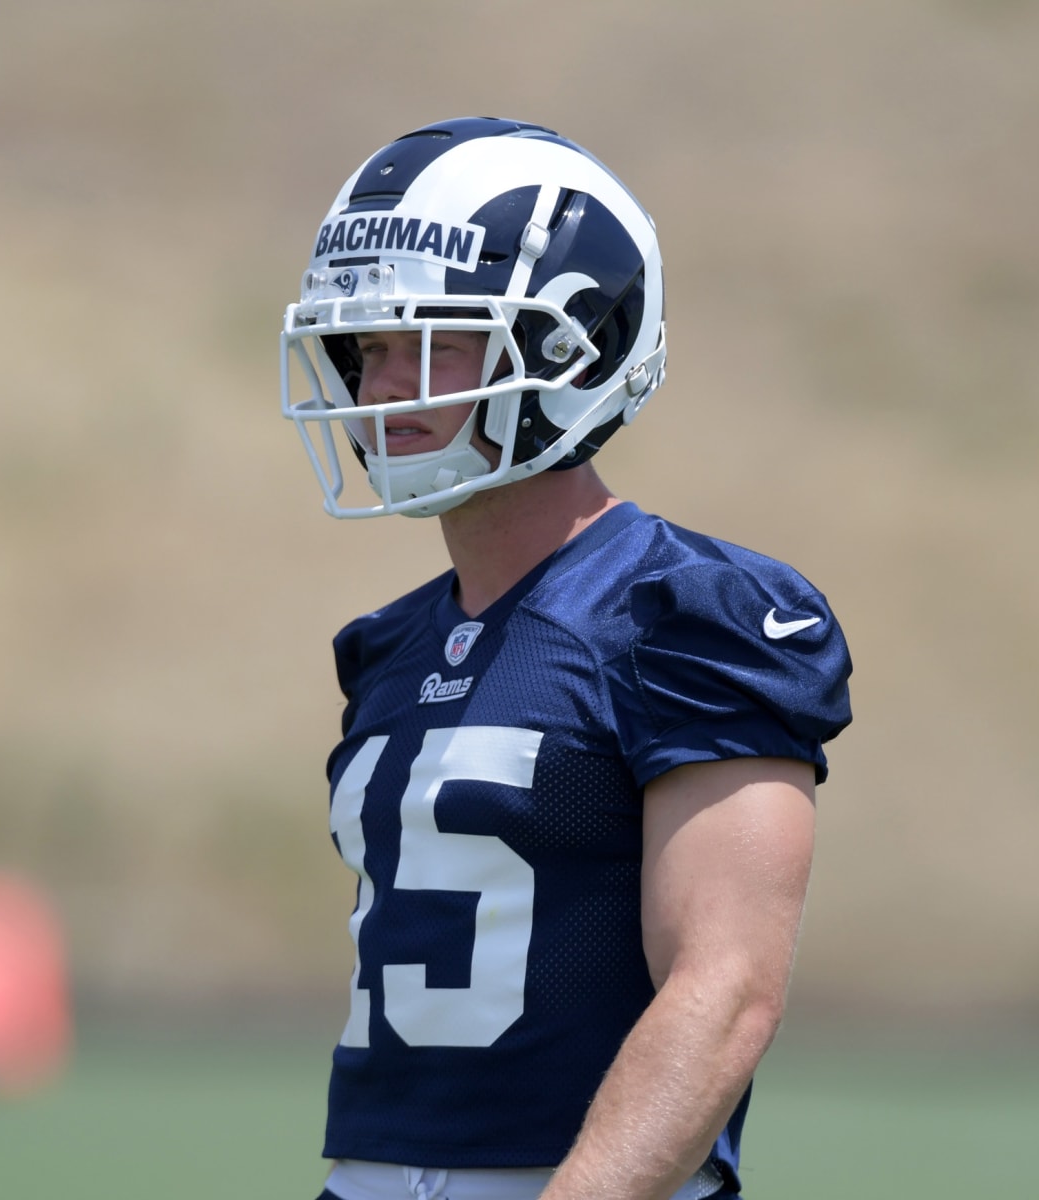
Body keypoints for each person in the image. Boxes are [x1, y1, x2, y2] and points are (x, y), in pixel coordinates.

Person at [280, 117, 852, 1200]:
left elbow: (725, 989)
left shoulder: (692, 617)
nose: (385, 389)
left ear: (570, 347)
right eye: (368, 347)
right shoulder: (391, 647)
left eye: (435, 342)